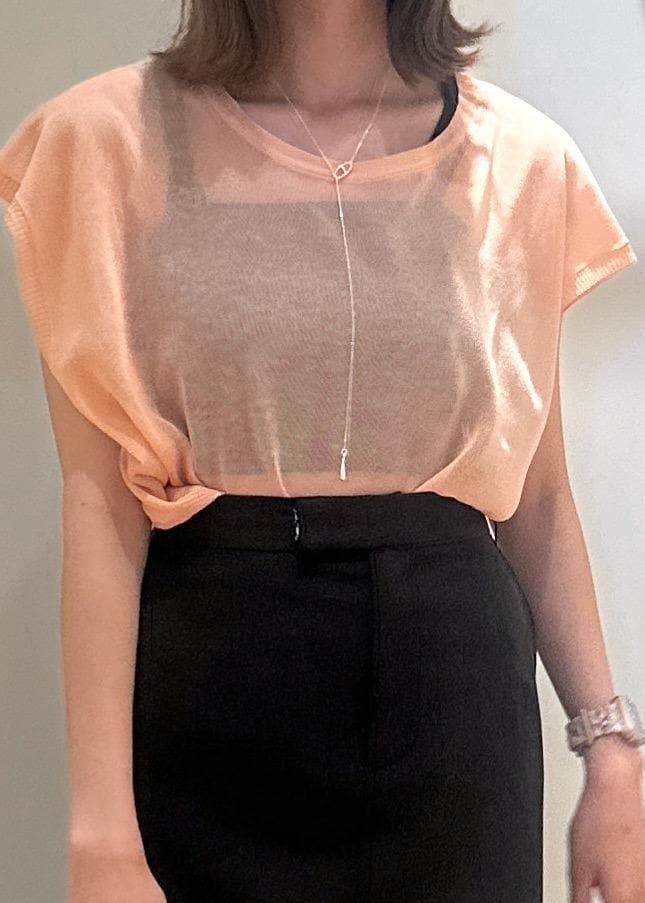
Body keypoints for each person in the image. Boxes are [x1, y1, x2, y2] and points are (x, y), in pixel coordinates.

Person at [1, 1, 643, 901]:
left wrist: (611, 754)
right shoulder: (106, 141)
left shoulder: (518, 160)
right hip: (210, 687)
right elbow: (100, 497)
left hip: (455, 711)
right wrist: (99, 829)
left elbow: (537, 494)